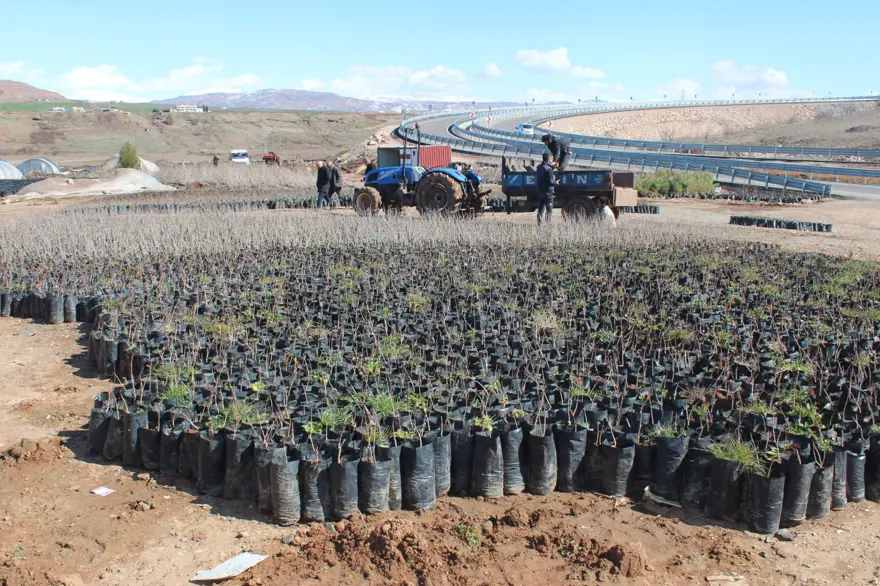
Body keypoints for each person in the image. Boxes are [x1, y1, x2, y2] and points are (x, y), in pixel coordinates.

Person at [536, 152, 556, 226]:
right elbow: (550, 182)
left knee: (541, 209)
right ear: (549, 159)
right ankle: (548, 224)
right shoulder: (549, 169)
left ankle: (539, 225)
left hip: (540, 191)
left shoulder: (539, 167)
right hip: (548, 192)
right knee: (549, 209)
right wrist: (555, 182)